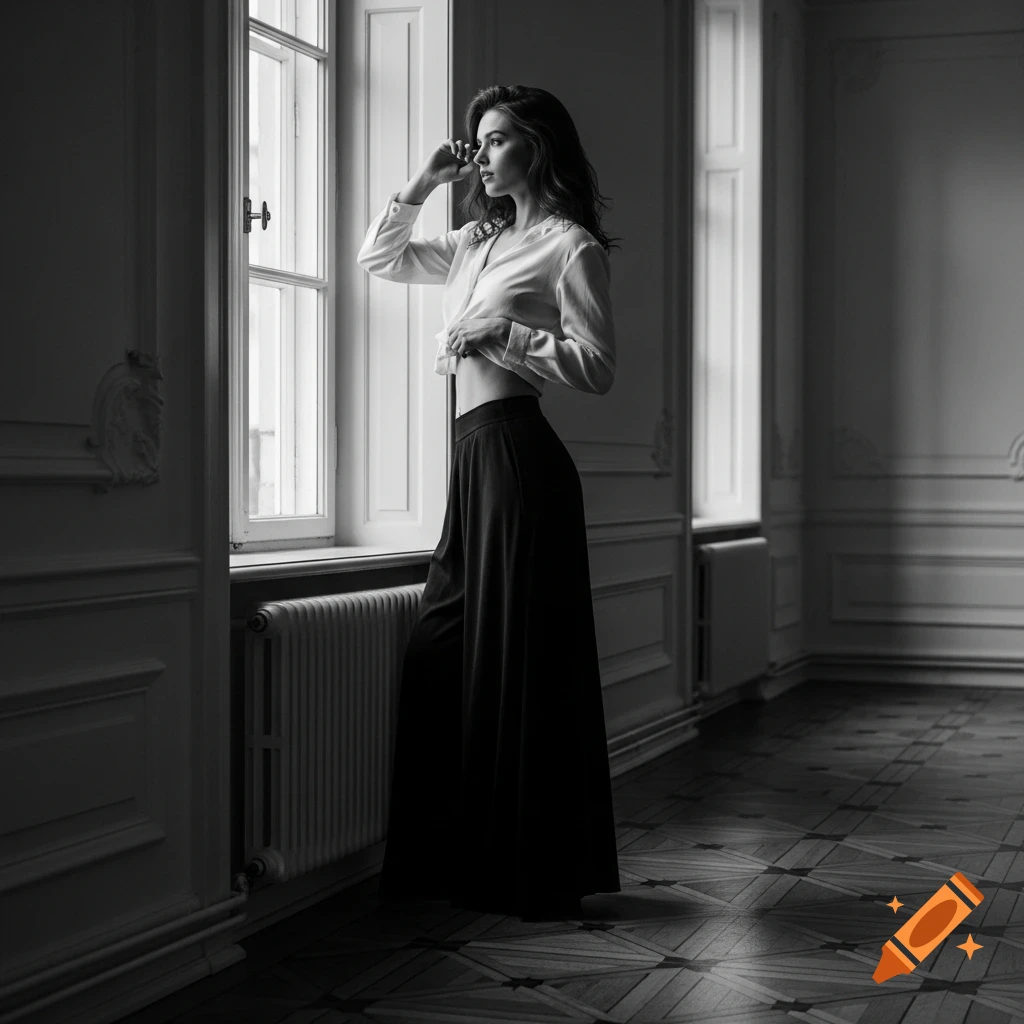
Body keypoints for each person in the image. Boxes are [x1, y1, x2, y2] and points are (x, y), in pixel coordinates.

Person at [357, 84, 621, 921]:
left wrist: (502, 334)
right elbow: (381, 259)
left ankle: (532, 873)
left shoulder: (569, 247)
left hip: (519, 456)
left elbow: (597, 367)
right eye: (478, 140)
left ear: (537, 148)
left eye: (499, 139)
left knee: (522, 667)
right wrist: (425, 180)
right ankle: (449, 860)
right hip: (471, 461)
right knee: (440, 654)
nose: (484, 154)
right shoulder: (476, 241)